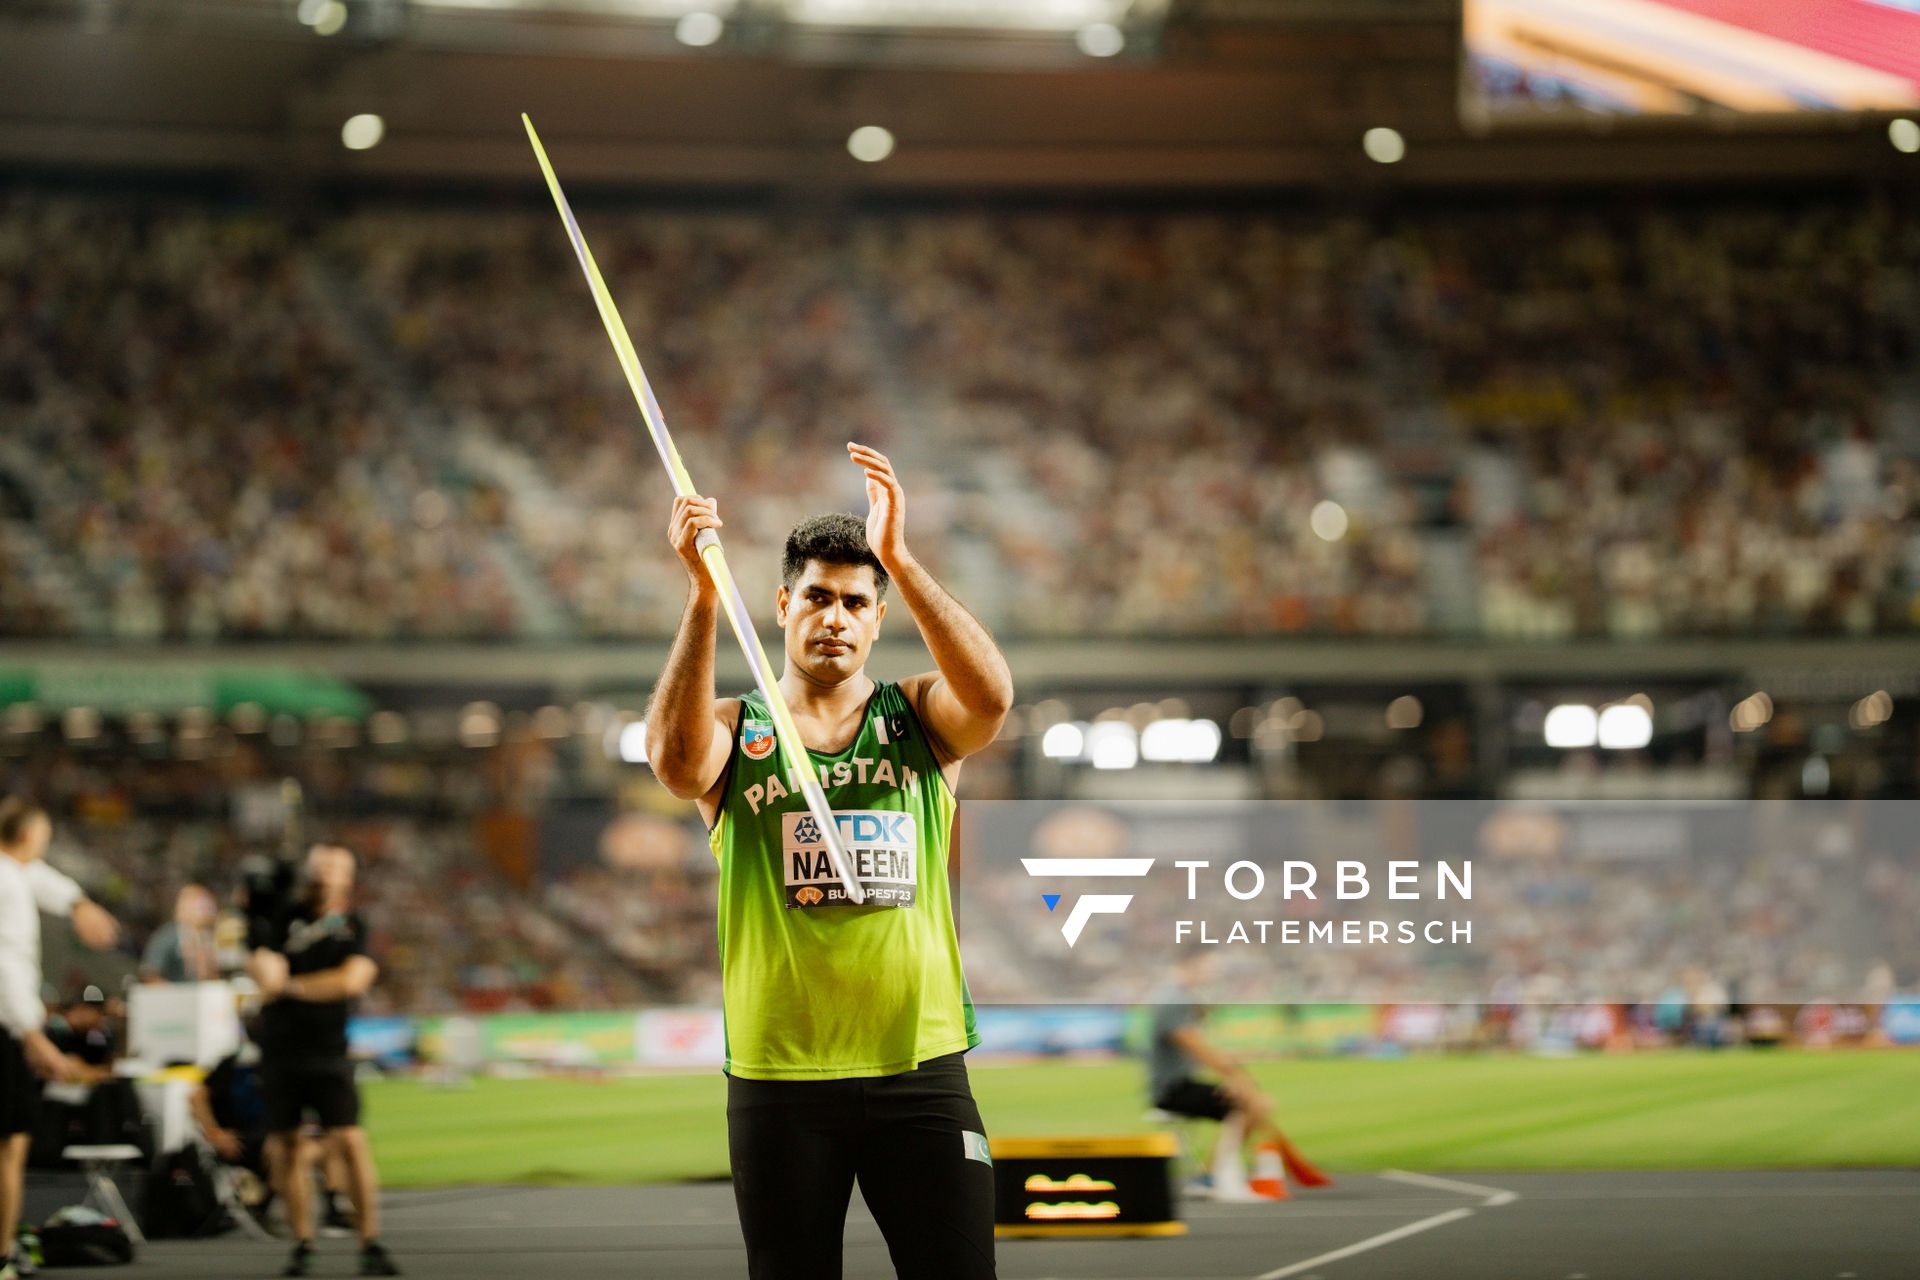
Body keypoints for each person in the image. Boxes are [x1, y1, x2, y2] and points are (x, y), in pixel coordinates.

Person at [646, 442, 1013, 1280]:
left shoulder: (918, 716)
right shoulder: (740, 728)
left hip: (920, 1067)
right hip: (781, 1079)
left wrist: (901, 559)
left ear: (878, 618)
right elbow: (673, 762)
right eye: (817, 597)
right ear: (781, 604)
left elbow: (992, 698)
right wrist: (703, 597)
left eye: (856, 600)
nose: (836, 617)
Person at [246, 845, 399, 1277]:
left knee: (350, 1141)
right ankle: (303, 1244)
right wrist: (291, 980)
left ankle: (370, 1243)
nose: (329, 871)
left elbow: (351, 980)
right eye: (322, 864)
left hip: (329, 1050)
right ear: (309, 870)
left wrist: (291, 985)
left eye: (338, 866)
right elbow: (265, 972)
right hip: (280, 1051)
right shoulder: (278, 916)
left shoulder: (355, 924)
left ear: (349, 877)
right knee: (288, 1146)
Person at [0, 798, 121, 1280]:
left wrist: (79, 903)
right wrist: (33, 1034)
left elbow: (44, 881)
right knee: (11, 1145)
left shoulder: (14, 873)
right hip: (5, 1027)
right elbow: (4, 961)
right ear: (30, 835)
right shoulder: (7, 879)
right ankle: (2, 1255)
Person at [1147, 1003, 1330, 1201]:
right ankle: (1213, 1176)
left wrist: (1236, 1081)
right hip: (1172, 1092)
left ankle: (1211, 1175)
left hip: (1182, 1086)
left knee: (1252, 1104)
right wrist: (1237, 1079)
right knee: (1251, 1105)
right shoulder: (1174, 1009)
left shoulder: (1182, 1012)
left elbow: (1204, 1053)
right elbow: (1201, 1052)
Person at [139, 885, 221, 984]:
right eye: (201, 906)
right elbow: (150, 973)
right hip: (176, 994)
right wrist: (171, 993)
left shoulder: (210, 936)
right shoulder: (168, 935)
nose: (207, 911)